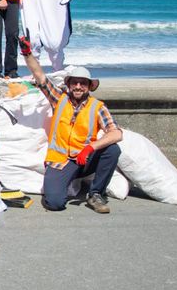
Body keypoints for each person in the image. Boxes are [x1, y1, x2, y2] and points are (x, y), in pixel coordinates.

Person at [22, 38, 120, 214]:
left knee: (112, 150)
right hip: (60, 161)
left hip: (84, 159)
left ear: (89, 86)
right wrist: (27, 53)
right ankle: (66, 182)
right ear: (68, 84)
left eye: (83, 83)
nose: (78, 86)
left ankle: (95, 193)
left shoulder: (97, 106)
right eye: (74, 82)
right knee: (55, 203)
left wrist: (90, 147)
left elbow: (116, 133)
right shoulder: (59, 99)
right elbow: (39, 76)